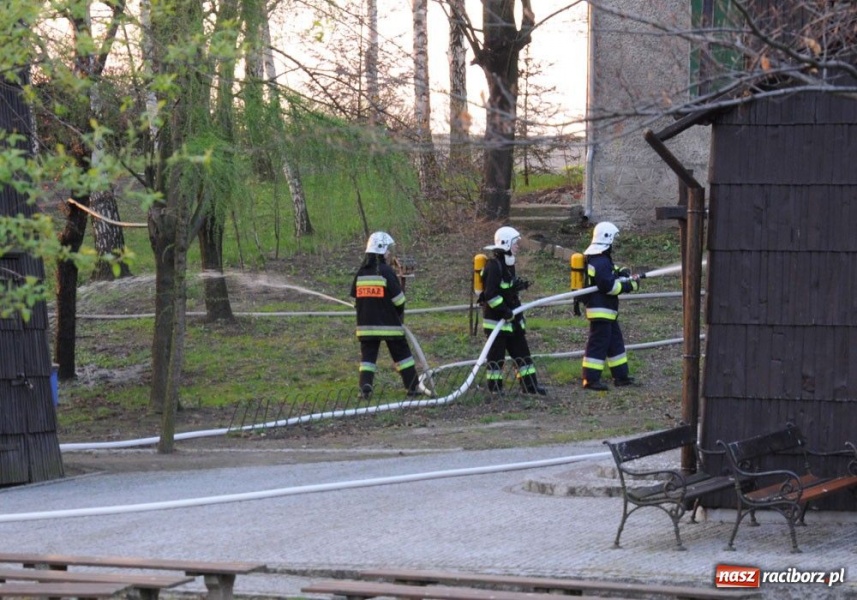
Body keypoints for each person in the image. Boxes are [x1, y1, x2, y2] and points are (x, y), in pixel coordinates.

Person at [350, 231, 431, 399]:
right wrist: (397, 314)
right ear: (381, 250)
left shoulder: (361, 272)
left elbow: (354, 300)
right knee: (403, 356)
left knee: (368, 359)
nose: (389, 254)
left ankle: (365, 390)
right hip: (389, 326)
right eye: (387, 250)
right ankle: (413, 387)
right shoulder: (386, 272)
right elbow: (399, 300)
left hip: (366, 327)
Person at [480, 226, 546, 396]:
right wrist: (505, 311)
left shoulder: (509, 264)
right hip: (497, 323)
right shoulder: (493, 266)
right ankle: (495, 390)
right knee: (496, 359)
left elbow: (505, 289)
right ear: (506, 243)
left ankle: (530, 386)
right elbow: (491, 295)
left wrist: (515, 288)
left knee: (523, 355)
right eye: (515, 243)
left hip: (513, 321)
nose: (518, 246)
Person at [580, 222, 640, 391]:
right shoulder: (600, 261)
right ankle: (590, 379)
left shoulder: (600, 259)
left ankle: (621, 376)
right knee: (598, 343)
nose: (615, 243)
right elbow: (609, 286)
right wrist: (629, 286)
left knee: (615, 342)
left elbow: (611, 271)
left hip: (607, 311)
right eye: (614, 239)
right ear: (607, 239)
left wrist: (622, 272)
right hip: (601, 311)